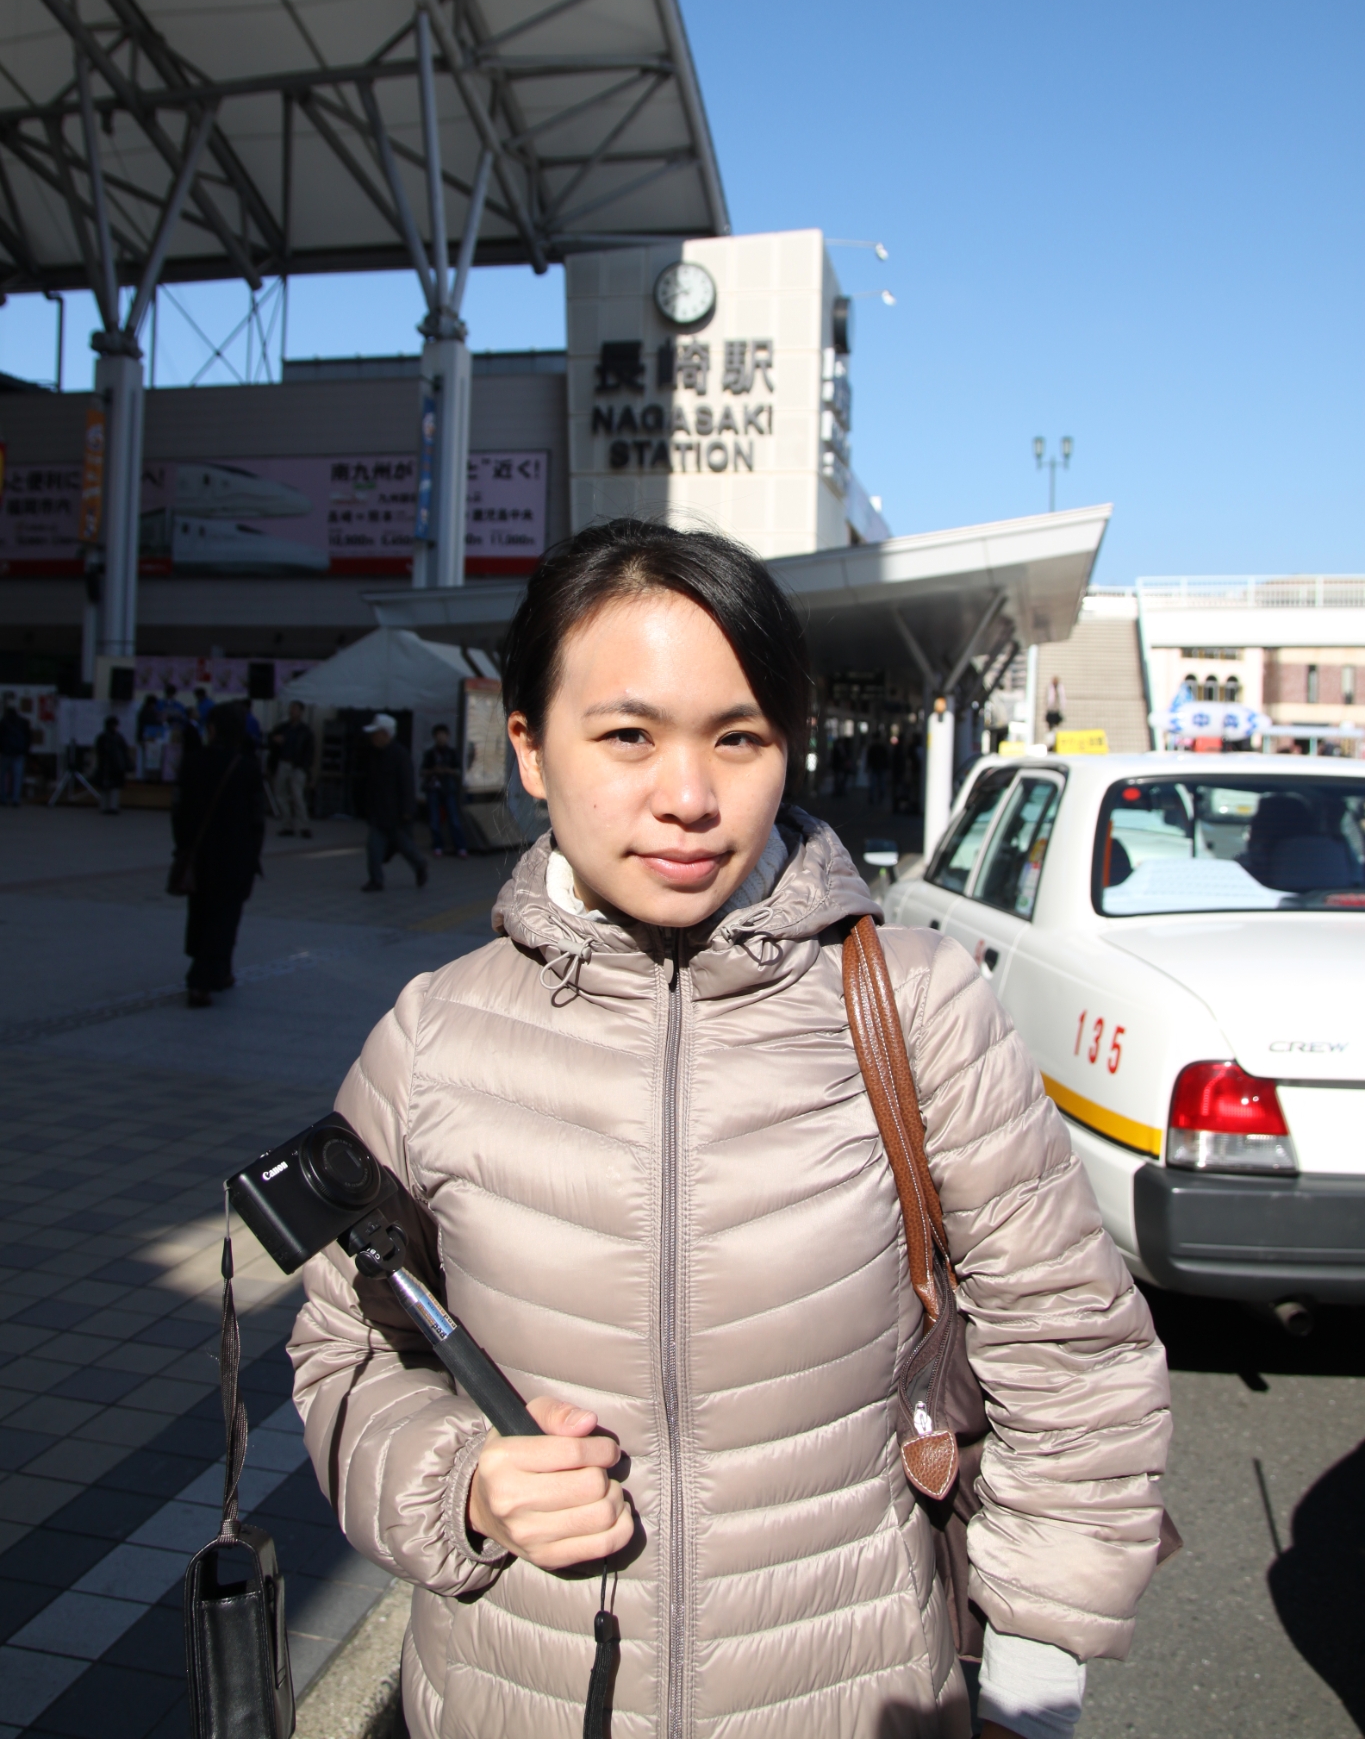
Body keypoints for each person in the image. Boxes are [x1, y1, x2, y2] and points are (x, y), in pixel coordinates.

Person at [290, 518, 1171, 1739]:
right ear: (530, 748)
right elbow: (346, 1350)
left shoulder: (917, 1004)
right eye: (628, 735)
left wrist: (1030, 1681)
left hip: (860, 1696)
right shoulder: (432, 1036)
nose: (691, 798)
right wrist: (463, 1482)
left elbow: (1069, 1348)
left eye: (738, 737)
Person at [171, 701, 265, 1007]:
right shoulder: (248, 767)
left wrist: (183, 846)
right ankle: (204, 977)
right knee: (226, 916)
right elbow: (257, 819)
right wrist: (253, 856)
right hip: (235, 856)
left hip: (199, 854)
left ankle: (217, 968)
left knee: (200, 912)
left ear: (211, 729)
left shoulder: (192, 762)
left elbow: (179, 811)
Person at [361, 714, 427, 892]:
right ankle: (376, 880)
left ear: (385, 734)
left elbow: (407, 785)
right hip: (378, 811)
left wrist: (407, 811)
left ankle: (420, 865)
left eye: (376, 733)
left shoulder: (400, 755)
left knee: (406, 847)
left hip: (396, 814)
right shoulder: (373, 753)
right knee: (373, 847)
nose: (373, 737)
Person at [420, 723, 468, 857]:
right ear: (435, 737)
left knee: (454, 819)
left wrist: (448, 770)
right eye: (438, 735)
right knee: (434, 819)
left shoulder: (452, 753)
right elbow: (422, 771)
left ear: (447, 736)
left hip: (448, 788)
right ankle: (437, 845)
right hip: (433, 788)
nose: (441, 738)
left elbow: (459, 771)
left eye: (443, 735)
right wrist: (433, 770)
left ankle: (460, 846)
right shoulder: (430, 753)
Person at [269, 701, 315, 838]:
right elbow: (270, 739)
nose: (292, 711)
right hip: (283, 762)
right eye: (291, 709)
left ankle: (304, 825)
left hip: (297, 765)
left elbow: (309, 751)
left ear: (301, 712)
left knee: (297, 796)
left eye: (295, 709)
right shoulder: (283, 728)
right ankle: (287, 824)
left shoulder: (305, 731)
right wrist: (274, 740)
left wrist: (305, 767)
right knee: (280, 794)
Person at [93, 714, 133, 814]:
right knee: (113, 788)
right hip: (115, 766)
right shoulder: (118, 737)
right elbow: (124, 751)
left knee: (106, 788)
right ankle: (112, 806)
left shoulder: (103, 737)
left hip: (107, 766)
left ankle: (105, 806)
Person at [0, 692, 31, 808]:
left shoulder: (3, 722)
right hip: (19, 753)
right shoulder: (23, 722)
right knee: (17, 776)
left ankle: (3, 797)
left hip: (5, 753)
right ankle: (15, 799)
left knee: (2, 776)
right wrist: (25, 751)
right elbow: (28, 737)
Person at [866, 732, 890, 809]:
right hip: (880, 767)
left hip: (876, 767)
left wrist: (868, 766)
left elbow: (869, 758)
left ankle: (874, 797)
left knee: (874, 783)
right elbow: (886, 758)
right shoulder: (881, 747)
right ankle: (879, 797)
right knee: (880, 783)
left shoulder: (873, 747)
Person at [1045, 675, 1066, 748]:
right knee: (1050, 727)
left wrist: (1061, 707)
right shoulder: (1049, 687)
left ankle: (1056, 742)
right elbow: (1048, 699)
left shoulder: (1060, 688)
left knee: (1057, 727)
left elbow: (1062, 698)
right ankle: (1050, 743)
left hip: (1057, 710)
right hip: (1050, 710)